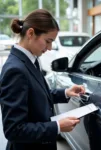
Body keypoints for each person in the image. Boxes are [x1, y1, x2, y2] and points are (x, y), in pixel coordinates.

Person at [0, 9, 85, 150]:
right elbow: (14, 130)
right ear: (31, 33)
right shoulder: (15, 70)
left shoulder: (30, 60)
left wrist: (65, 93)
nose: (50, 48)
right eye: (48, 41)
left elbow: (35, 95)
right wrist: (57, 126)